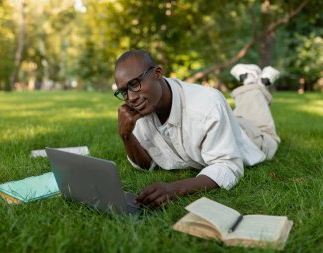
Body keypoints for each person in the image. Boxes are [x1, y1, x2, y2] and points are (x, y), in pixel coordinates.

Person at [114, 50, 280, 209]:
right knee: (236, 114)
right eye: (123, 92)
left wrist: (175, 188)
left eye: (135, 84)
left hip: (250, 136)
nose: (131, 98)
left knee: (263, 126)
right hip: (220, 123)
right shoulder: (141, 110)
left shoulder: (207, 104)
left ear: (157, 73)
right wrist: (126, 135)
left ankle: (255, 83)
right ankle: (253, 82)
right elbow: (147, 163)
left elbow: (228, 165)